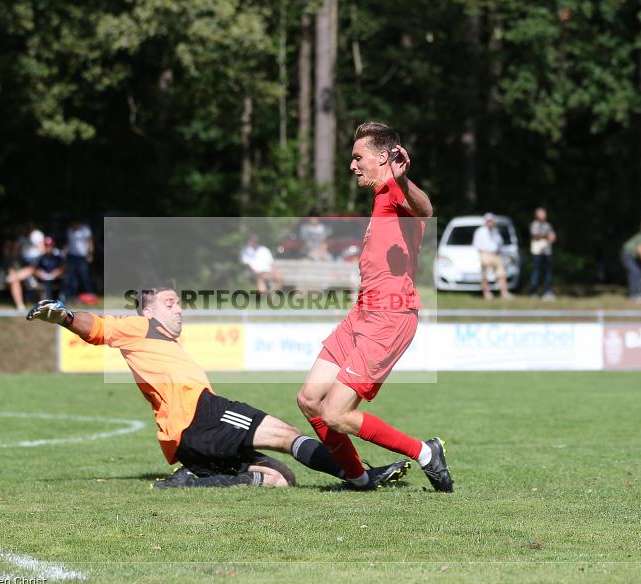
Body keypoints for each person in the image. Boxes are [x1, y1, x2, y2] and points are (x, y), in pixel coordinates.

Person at [25, 288, 410, 489]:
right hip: (200, 414)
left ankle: (198, 479)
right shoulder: (138, 327)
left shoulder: (158, 338)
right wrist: (66, 316)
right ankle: (360, 477)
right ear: (148, 310)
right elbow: (98, 328)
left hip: (185, 440)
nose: (179, 309)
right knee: (288, 435)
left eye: (179, 303)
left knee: (280, 479)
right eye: (170, 303)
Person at [294, 121, 453, 493]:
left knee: (336, 413)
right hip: (362, 313)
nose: (352, 165)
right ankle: (358, 478)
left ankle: (425, 453)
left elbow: (426, 208)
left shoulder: (395, 190)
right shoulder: (381, 195)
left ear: (383, 157)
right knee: (310, 400)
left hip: (389, 316)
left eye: (357, 157)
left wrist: (403, 179)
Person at [7, 236, 65, 309]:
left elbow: (63, 268)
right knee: (31, 271)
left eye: (50, 245)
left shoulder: (58, 257)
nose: (48, 247)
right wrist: (41, 274)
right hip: (42, 279)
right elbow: (35, 269)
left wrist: (54, 274)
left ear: (53, 246)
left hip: (56, 279)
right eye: (46, 245)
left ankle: (12, 277)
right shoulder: (41, 257)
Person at [473, 213, 512, 300]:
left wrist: (502, 253)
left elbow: (499, 244)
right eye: (489, 221)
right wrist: (483, 254)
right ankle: (486, 293)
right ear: (486, 222)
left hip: (495, 254)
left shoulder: (495, 231)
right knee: (484, 274)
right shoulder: (480, 231)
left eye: (491, 221)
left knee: (501, 274)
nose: (490, 223)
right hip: (485, 254)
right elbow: (477, 245)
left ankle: (504, 293)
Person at [63, 217, 94, 301]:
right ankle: (73, 296)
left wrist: (90, 254)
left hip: (82, 257)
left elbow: (90, 242)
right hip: (72, 256)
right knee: (72, 277)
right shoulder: (69, 230)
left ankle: (90, 294)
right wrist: (64, 253)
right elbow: (68, 242)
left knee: (85, 276)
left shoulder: (85, 230)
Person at [529, 207, 556, 300]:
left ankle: (548, 292)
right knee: (536, 271)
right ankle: (534, 292)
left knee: (548, 272)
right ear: (537, 215)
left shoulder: (548, 225)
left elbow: (553, 238)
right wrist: (547, 236)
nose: (543, 215)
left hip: (547, 252)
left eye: (544, 213)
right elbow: (536, 236)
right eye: (541, 213)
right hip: (537, 252)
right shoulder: (534, 225)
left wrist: (545, 237)